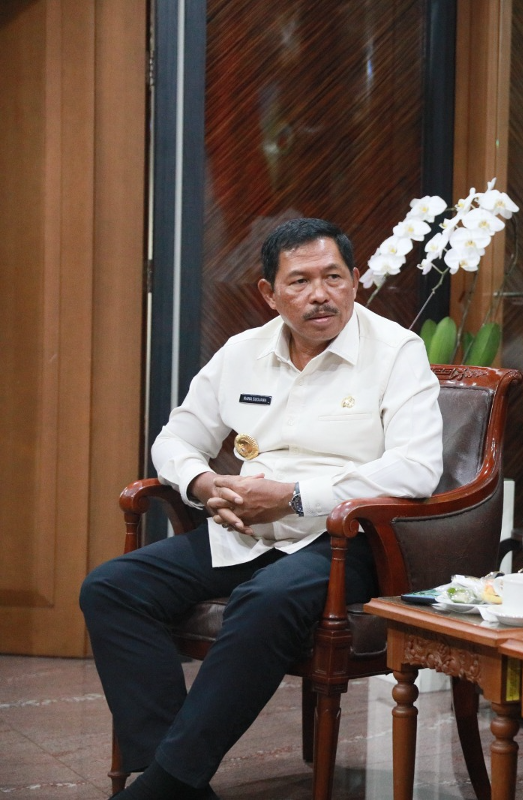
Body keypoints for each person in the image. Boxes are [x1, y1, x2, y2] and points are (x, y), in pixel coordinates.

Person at [79, 218, 443, 800]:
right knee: (113, 588)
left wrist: (294, 496)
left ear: (356, 281)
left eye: (334, 277)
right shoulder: (242, 353)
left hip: (346, 539)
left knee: (265, 599)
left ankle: (164, 786)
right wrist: (202, 484)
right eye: (299, 281)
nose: (320, 294)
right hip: (243, 531)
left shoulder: (398, 351)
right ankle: (174, 780)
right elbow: (176, 439)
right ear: (269, 295)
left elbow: (416, 469)